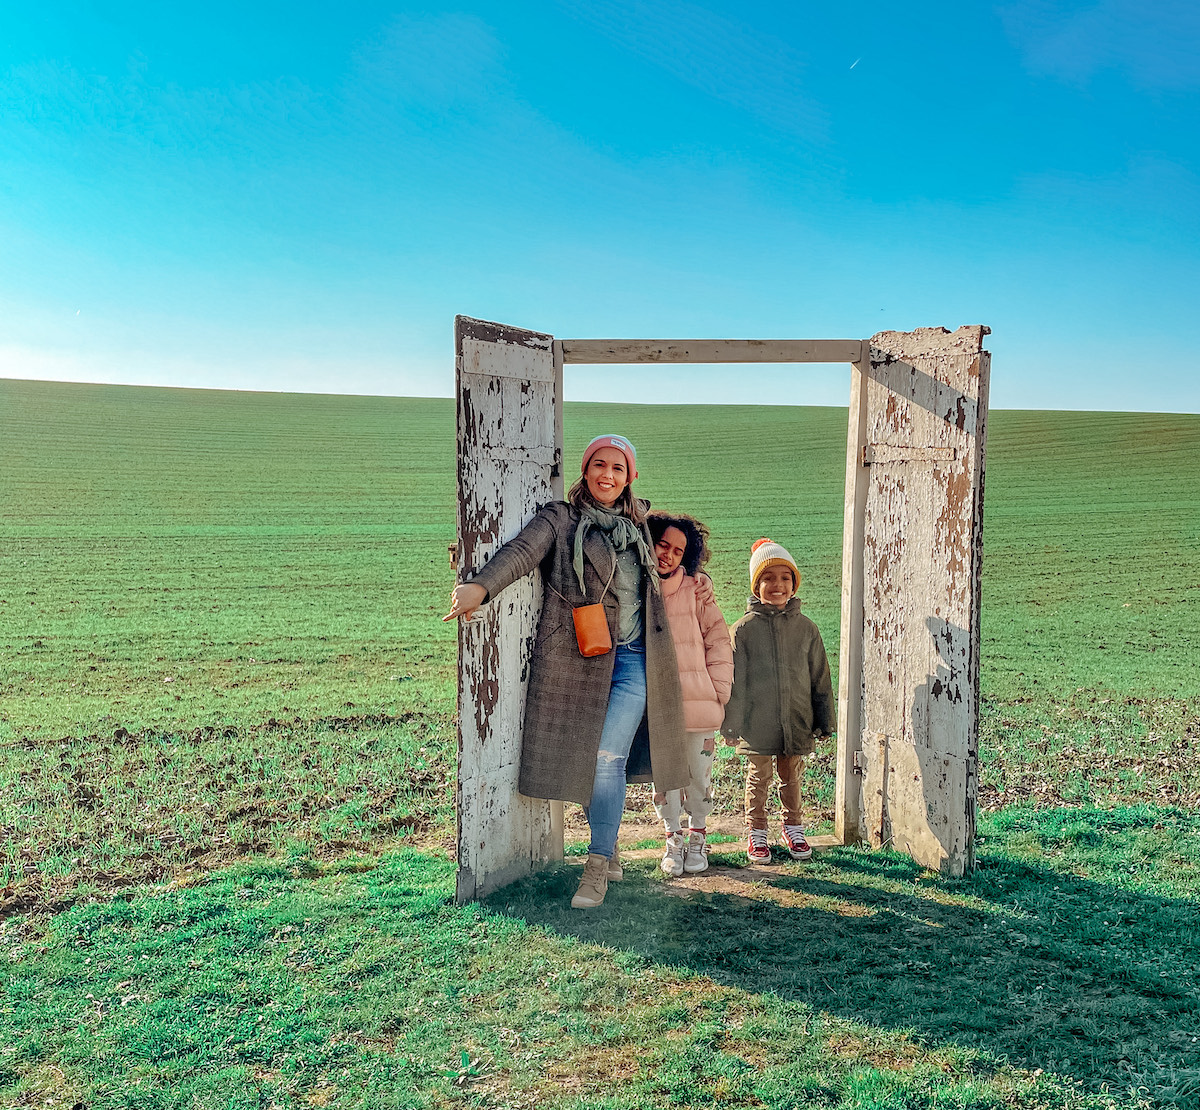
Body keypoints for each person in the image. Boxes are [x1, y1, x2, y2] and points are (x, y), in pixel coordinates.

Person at [444, 435, 690, 909]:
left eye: (618, 469)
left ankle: (596, 864)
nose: (608, 475)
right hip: (580, 658)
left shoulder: (639, 525)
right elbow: (521, 552)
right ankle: (611, 844)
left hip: (638, 659)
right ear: (585, 469)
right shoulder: (562, 519)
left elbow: (675, 570)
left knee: (606, 757)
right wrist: (480, 587)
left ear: (630, 477)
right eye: (599, 465)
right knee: (582, 757)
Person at [721, 538, 835, 863]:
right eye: (768, 578)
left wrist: (824, 720)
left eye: (785, 578)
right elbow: (734, 683)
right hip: (757, 723)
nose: (777, 585)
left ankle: (793, 828)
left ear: (794, 584)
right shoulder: (743, 630)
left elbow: (820, 679)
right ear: (756, 584)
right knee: (759, 778)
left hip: (796, 720)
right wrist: (731, 724)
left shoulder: (807, 629)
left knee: (792, 775)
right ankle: (757, 832)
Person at [646, 511, 732, 877]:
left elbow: (718, 638)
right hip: (657, 706)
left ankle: (698, 835)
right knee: (666, 778)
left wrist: (719, 689)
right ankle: (673, 838)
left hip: (700, 704)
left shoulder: (696, 590)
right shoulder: (638, 587)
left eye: (678, 550)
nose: (668, 554)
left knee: (699, 776)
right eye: (662, 544)